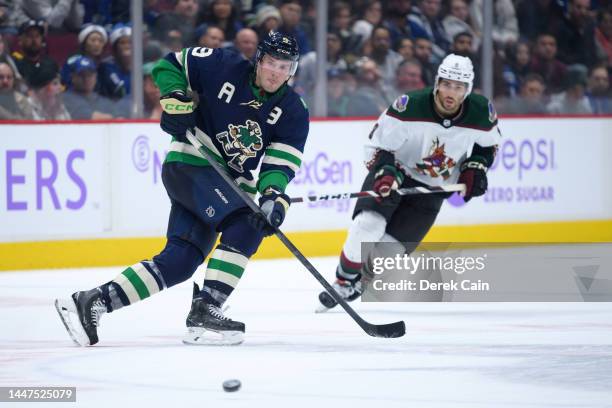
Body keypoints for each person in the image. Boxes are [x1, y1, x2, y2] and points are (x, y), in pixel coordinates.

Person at [55, 31, 309, 347]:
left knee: (180, 262)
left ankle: (93, 301)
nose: (276, 72)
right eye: (271, 62)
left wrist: (273, 197)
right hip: (192, 163)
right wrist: (175, 97)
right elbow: (168, 65)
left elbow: (278, 165)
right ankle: (207, 307)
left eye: (285, 67)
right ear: (259, 59)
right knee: (245, 224)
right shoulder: (223, 65)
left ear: (292, 70)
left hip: (226, 183)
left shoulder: (294, 110)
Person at [317, 53, 501, 310]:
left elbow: (489, 146)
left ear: (467, 90)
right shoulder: (409, 106)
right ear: (437, 82)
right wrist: (387, 173)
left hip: (434, 187)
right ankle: (344, 280)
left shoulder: (481, 112)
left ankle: (362, 281)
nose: (451, 92)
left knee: (391, 250)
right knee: (368, 224)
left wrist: (475, 167)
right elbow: (377, 145)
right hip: (395, 172)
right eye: (447, 84)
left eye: (458, 87)